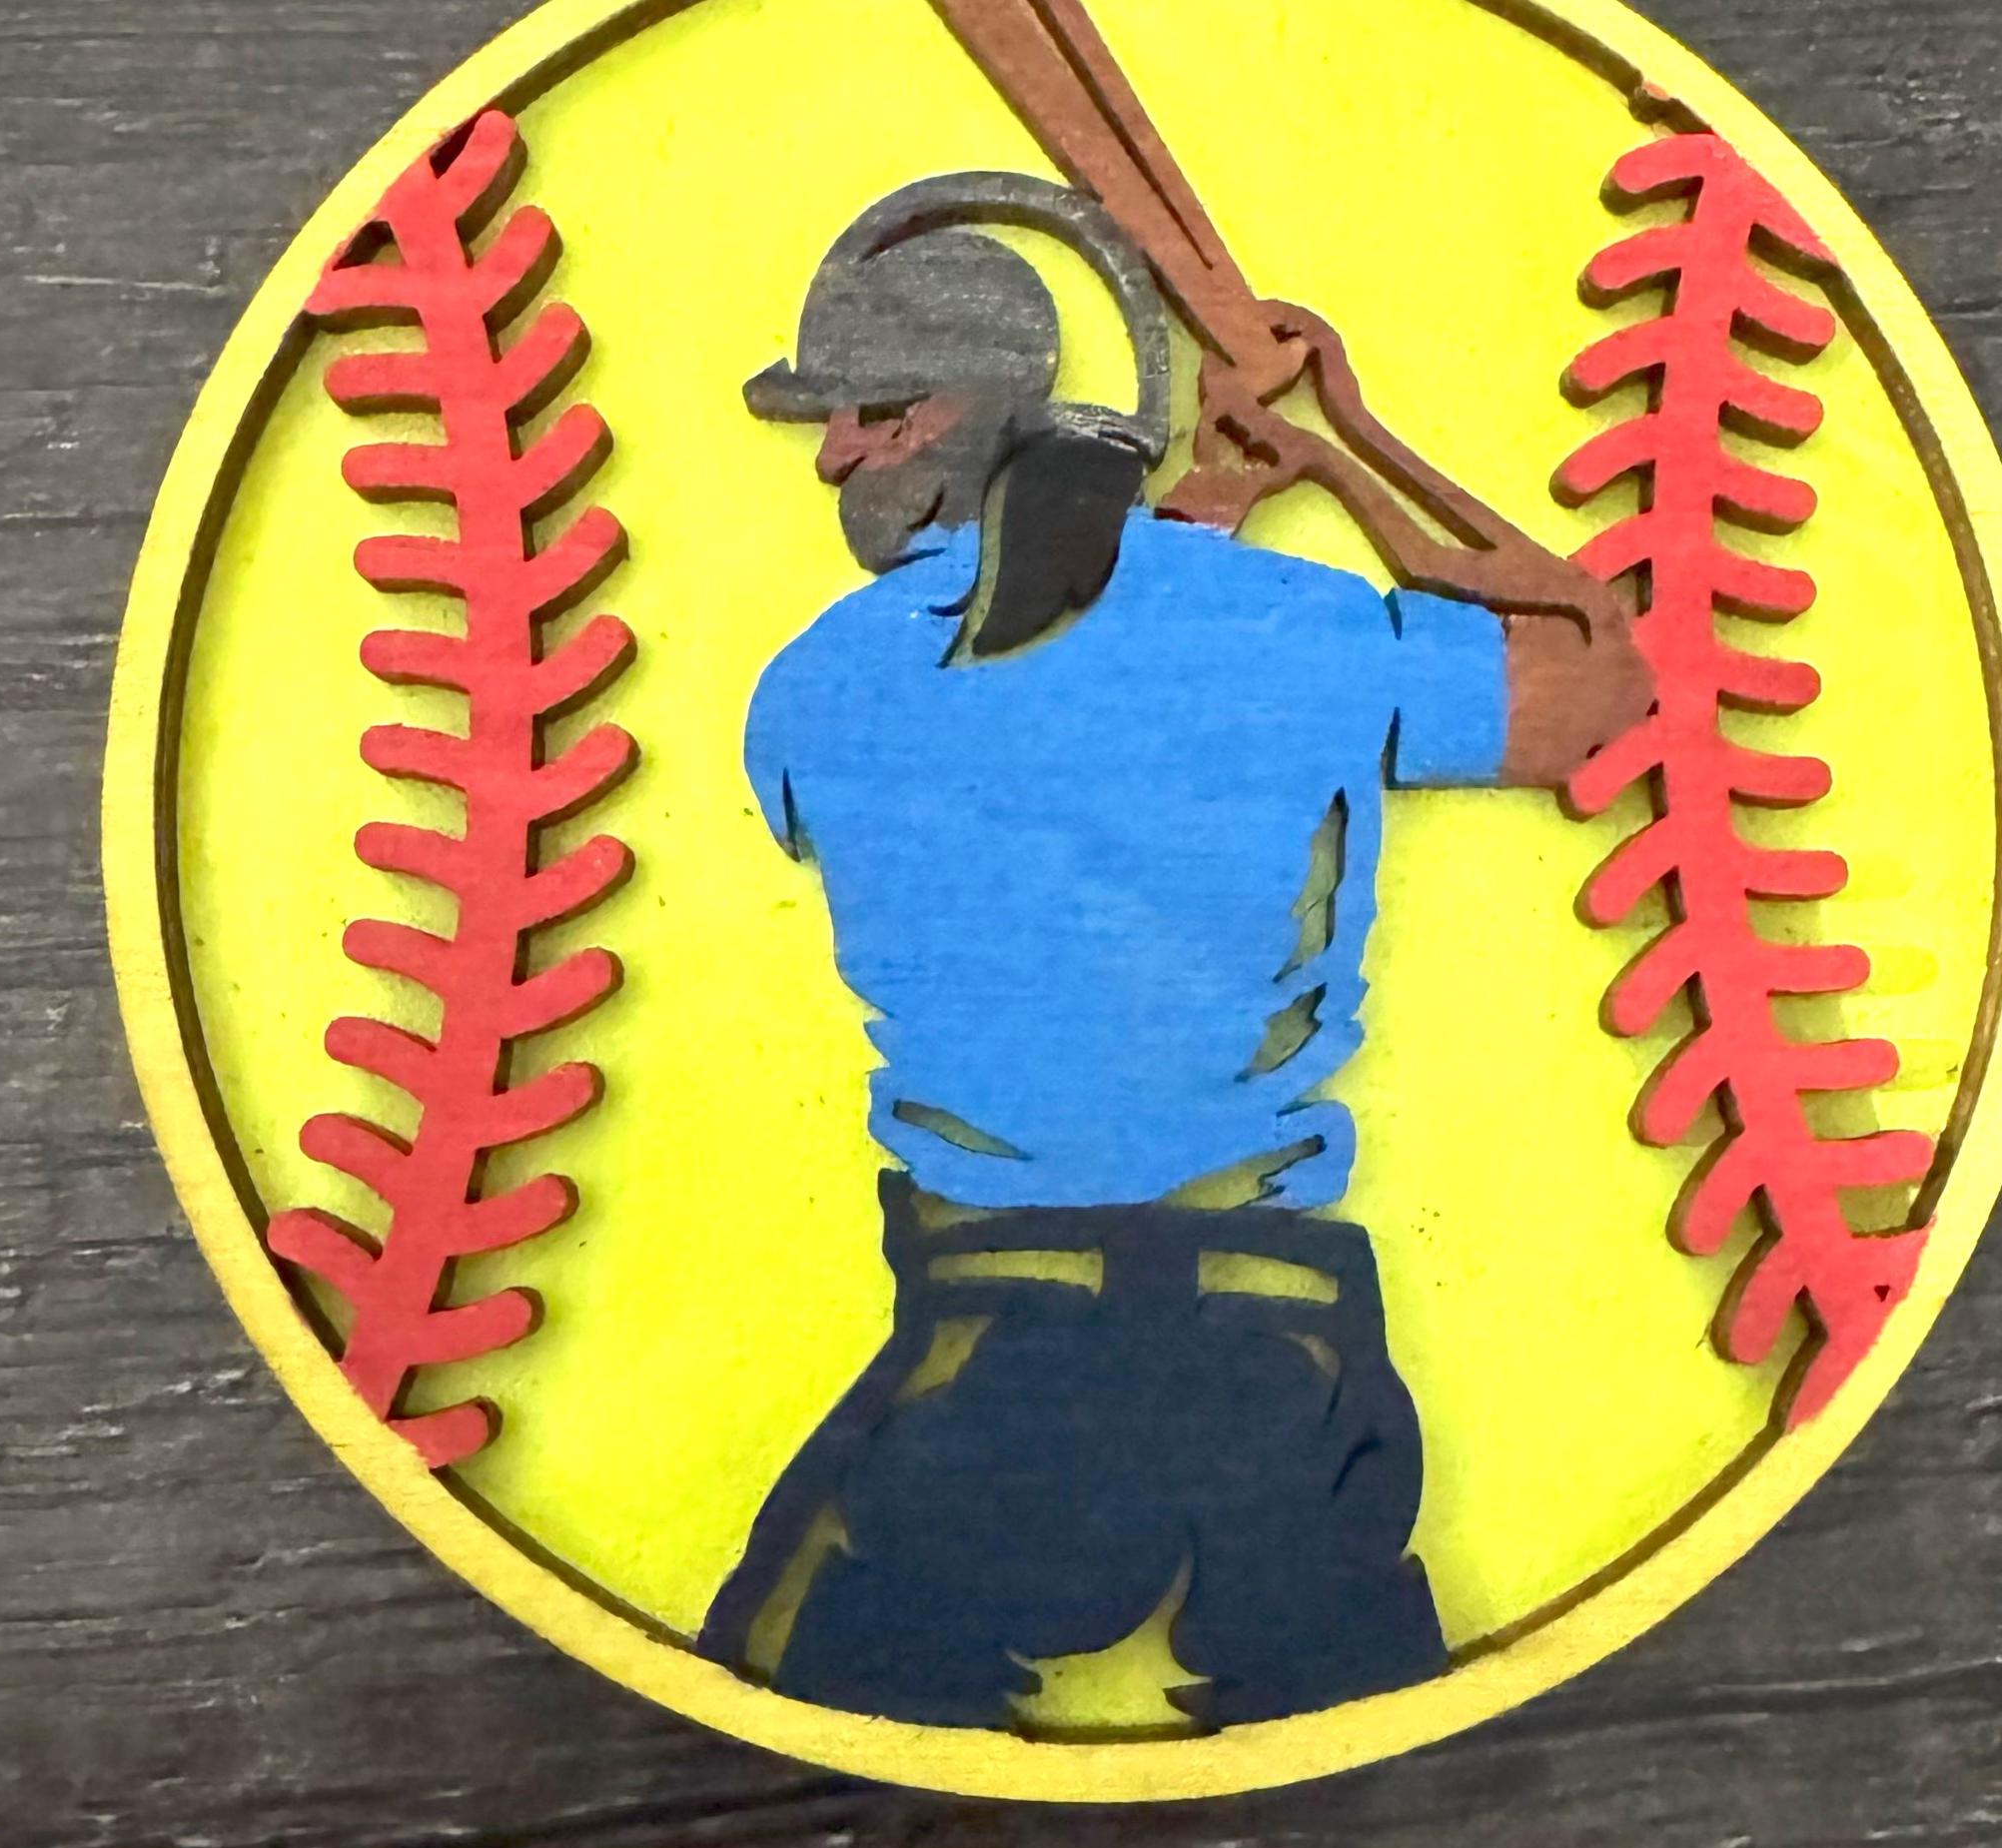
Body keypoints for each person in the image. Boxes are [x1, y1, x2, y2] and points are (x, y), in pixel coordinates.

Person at [698, 173, 1651, 1730]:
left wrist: (1178, 545)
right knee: (1385, 1774)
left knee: (796, 1744)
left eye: (870, 414)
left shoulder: (812, 689)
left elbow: (1034, 687)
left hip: (995, 1358)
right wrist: (1346, 452)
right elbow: (1598, 681)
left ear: (964, 415)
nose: (831, 456)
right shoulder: (1295, 626)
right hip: (1283, 1359)